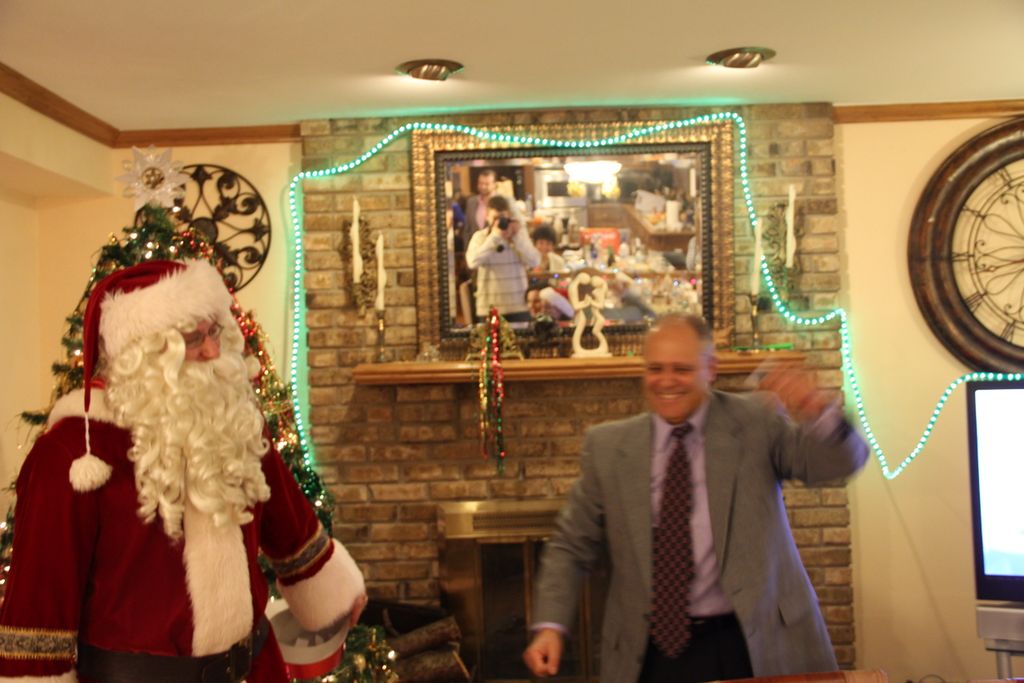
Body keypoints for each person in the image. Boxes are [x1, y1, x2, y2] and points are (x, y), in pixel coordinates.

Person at [0, 260, 366, 683]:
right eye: (193, 339)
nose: (212, 351)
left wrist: (330, 589)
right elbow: (39, 607)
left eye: (214, 332)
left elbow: (285, 515)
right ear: (142, 354)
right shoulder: (74, 454)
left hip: (254, 669)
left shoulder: (230, 415)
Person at [523, 313, 868, 683]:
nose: (666, 381)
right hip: (652, 652)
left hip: (750, 640)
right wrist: (550, 625)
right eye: (655, 368)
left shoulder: (756, 422)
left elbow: (839, 464)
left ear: (711, 369)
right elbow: (571, 543)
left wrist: (817, 409)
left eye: (682, 369)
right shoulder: (608, 447)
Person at [466, 195, 540, 323]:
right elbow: (472, 262)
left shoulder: (517, 236)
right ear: (487, 217)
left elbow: (534, 261)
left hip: (518, 306)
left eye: (502, 218)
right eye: (495, 218)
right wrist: (495, 237)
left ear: (509, 216)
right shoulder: (480, 237)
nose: (499, 222)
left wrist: (517, 237)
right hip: (488, 308)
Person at [463, 168, 498, 242]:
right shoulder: (471, 202)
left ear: (494, 184)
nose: (483, 187)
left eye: (487, 184)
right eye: (480, 183)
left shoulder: (503, 202)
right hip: (474, 247)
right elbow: (467, 230)